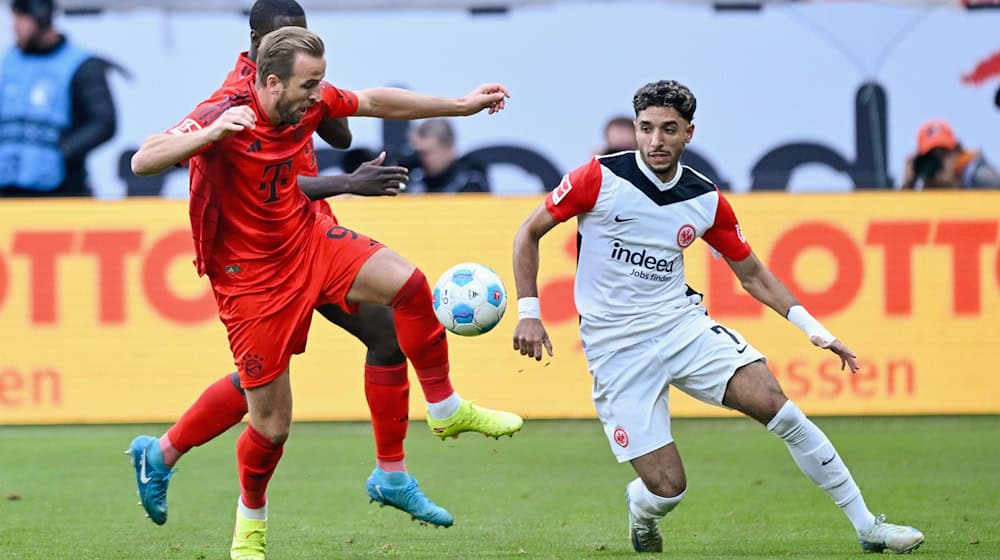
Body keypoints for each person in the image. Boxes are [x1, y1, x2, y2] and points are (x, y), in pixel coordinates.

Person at [131, 26, 521, 560]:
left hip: (308, 239)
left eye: (321, 82)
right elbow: (144, 158)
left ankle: (439, 415)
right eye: (310, 85)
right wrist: (210, 135)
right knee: (270, 422)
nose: (321, 96)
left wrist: (461, 105)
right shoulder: (225, 109)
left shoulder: (305, 98)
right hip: (253, 279)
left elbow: (374, 100)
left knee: (408, 289)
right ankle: (248, 525)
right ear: (270, 77)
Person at [511, 80, 925, 554]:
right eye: (645, 128)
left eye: (668, 129)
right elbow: (528, 232)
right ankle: (642, 507)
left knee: (775, 403)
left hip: (679, 326)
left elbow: (753, 275)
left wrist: (816, 331)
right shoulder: (597, 179)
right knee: (668, 488)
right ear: (635, 129)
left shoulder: (704, 199)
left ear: (689, 132)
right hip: (615, 348)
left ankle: (867, 526)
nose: (655, 141)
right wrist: (529, 312)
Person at [0, 0, 116, 197]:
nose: (14, 26)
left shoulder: (80, 65)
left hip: (60, 191)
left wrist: (65, 150)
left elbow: (104, 122)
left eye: (21, 17)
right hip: (7, 190)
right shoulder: (9, 61)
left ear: (41, 16)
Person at [901, 119, 1000, 190]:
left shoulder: (974, 177)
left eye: (943, 153)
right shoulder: (925, 195)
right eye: (931, 158)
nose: (939, 163)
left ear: (957, 152)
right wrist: (908, 186)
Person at [401, 118, 490, 194]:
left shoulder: (471, 180)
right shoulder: (415, 181)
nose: (423, 159)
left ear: (450, 147)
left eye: (429, 152)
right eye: (420, 153)